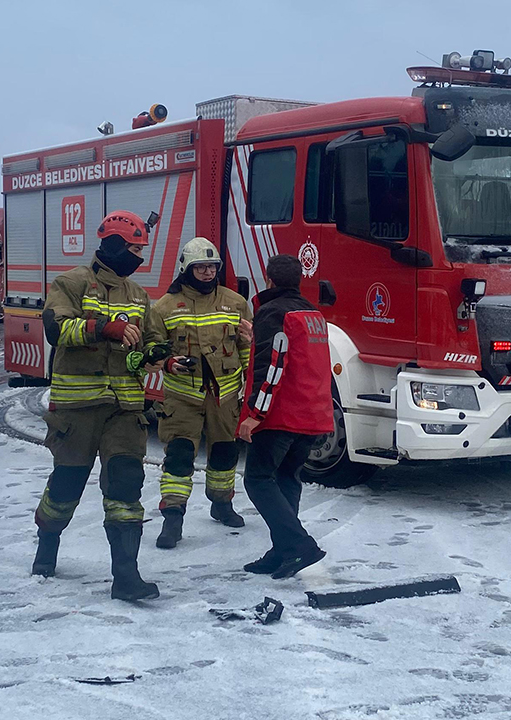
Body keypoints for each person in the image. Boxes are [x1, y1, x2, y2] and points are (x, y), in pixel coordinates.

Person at [31, 209, 167, 601]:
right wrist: (104, 328)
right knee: (66, 486)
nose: (138, 257)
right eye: (133, 249)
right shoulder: (70, 282)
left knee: (126, 485)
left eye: (142, 250)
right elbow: (57, 329)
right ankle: (48, 543)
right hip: (77, 411)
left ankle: (126, 577)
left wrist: (159, 353)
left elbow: (147, 344)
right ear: (111, 245)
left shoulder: (138, 295)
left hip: (124, 410)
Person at [149, 238, 254, 548]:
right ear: (186, 269)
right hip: (182, 397)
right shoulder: (165, 307)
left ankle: (222, 505)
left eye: (212, 267)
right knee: (179, 456)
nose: (208, 272)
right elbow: (152, 349)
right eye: (201, 267)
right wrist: (168, 362)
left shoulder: (235, 302)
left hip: (225, 395)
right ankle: (173, 518)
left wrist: (249, 385)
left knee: (225, 453)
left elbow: (244, 346)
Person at [237, 255, 334, 579]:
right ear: (299, 280)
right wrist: (257, 336)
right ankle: (282, 552)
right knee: (286, 480)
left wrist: (253, 414)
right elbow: (297, 355)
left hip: (281, 415)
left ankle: (298, 546)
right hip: (312, 414)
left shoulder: (272, 312)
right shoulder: (312, 314)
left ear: (268, 280)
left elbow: (272, 367)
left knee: (258, 480)